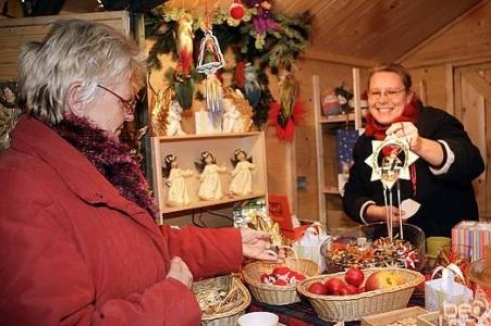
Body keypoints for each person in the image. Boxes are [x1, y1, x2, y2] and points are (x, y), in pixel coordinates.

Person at [0, 19, 283, 325]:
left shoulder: (91, 161)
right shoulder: (20, 191)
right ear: (78, 97)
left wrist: (234, 243)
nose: (130, 114)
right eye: (125, 101)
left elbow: (147, 245)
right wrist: (173, 295)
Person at [342, 63, 485, 237]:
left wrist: (420, 145)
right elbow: (351, 195)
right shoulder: (365, 142)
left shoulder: (435, 121)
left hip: (445, 246)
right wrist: (375, 211)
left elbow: (472, 162)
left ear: (409, 96)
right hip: (390, 249)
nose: (382, 99)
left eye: (392, 92)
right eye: (375, 92)